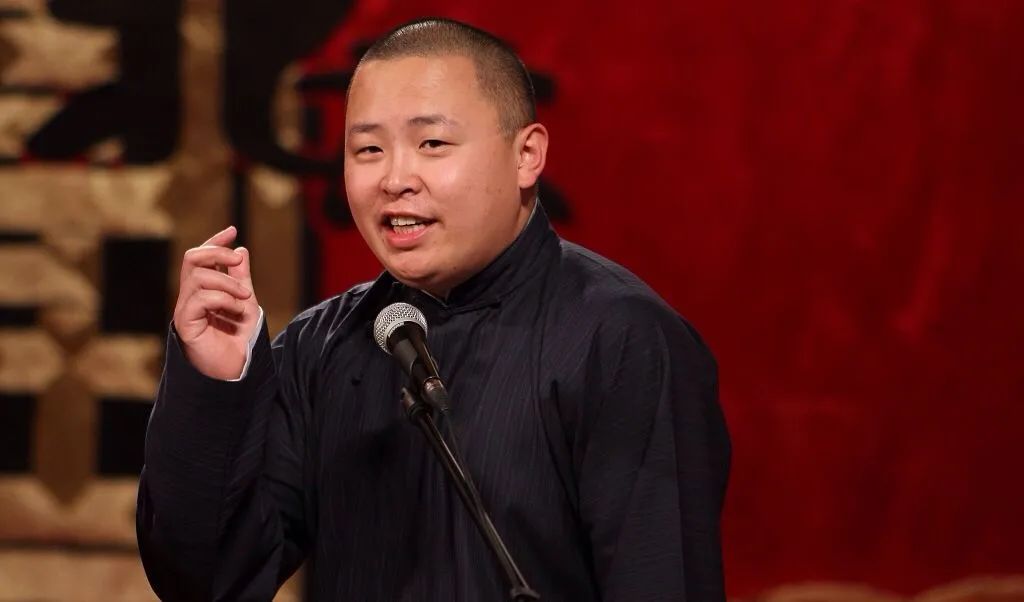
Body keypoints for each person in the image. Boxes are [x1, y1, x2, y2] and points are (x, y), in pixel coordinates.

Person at [137, 18, 731, 601]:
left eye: (433, 144)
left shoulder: (621, 339)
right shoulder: (321, 347)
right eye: (368, 149)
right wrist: (215, 386)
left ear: (527, 154)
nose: (395, 178)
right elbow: (208, 582)